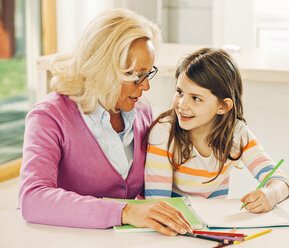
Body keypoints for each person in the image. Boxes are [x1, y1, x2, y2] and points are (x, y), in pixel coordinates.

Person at [18, 8, 193, 236]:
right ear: (103, 69)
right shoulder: (49, 117)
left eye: (148, 73)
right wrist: (125, 212)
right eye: (136, 75)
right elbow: (33, 199)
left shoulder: (141, 111)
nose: (145, 86)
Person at [145, 48, 289, 213]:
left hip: (213, 222)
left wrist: (270, 194)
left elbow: (282, 182)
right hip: (173, 222)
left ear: (223, 106)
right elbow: (157, 204)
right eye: (180, 92)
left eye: (195, 98)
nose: (182, 105)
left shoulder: (237, 134)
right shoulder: (164, 134)